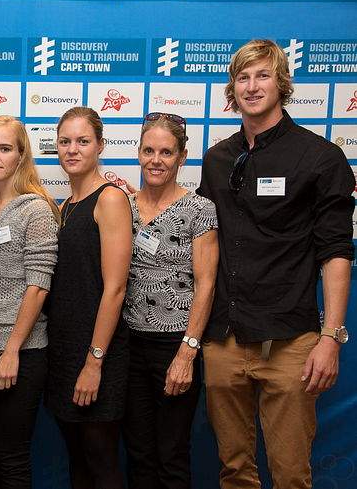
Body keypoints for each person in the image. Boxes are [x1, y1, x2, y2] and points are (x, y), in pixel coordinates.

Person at [197, 39, 354, 488]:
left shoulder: (320, 157)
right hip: (224, 338)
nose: (251, 86)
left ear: (281, 83)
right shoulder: (218, 158)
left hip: (291, 341)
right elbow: (205, 241)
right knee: (234, 470)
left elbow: (336, 251)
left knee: (290, 474)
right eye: (242, 77)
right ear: (232, 88)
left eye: (262, 75)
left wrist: (332, 337)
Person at [121, 113, 219, 489]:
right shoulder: (124, 205)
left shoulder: (200, 209)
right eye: (148, 150)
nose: (155, 160)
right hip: (129, 344)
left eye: (166, 152)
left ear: (182, 156)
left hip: (174, 343)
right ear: (139, 152)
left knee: (171, 452)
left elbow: (206, 284)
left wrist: (187, 352)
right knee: (138, 452)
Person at [0, 115, 60, 488]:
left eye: (5, 148)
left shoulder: (35, 210)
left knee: (13, 458)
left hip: (21, 353)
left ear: (21, 155)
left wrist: (12, 351)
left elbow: (39, 286)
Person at [44, 106, 133, 489]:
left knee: (101, 459)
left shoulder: (110, 199)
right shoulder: (63, 207)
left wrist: (94, 362)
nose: (72, 149)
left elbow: (115, 288)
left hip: (99, 353)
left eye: (83, 141)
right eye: (65, 141)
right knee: (77, 460)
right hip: (63, 352)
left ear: (101, 146)